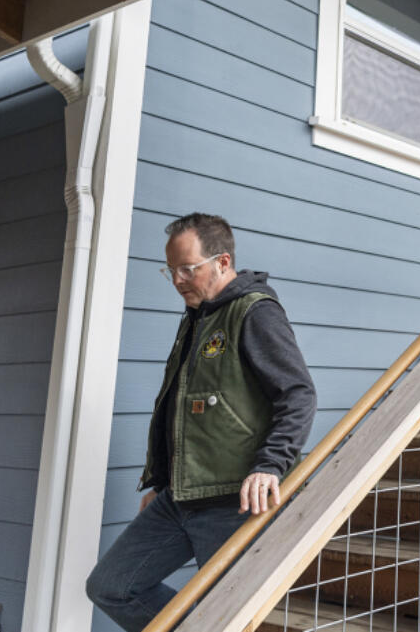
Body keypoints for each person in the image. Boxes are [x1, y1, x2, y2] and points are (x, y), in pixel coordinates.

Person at [86, 212, 316, 631]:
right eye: (170, 270)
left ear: (222, 262)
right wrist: (161, 479)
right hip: (179, 497)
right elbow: (178, 406)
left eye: (187, 269)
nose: (177, 280)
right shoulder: (195, 318)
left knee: (229, 615)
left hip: (233, 501)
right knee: (112, 586)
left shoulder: (255, 312)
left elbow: (298, 394)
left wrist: (270, 465)